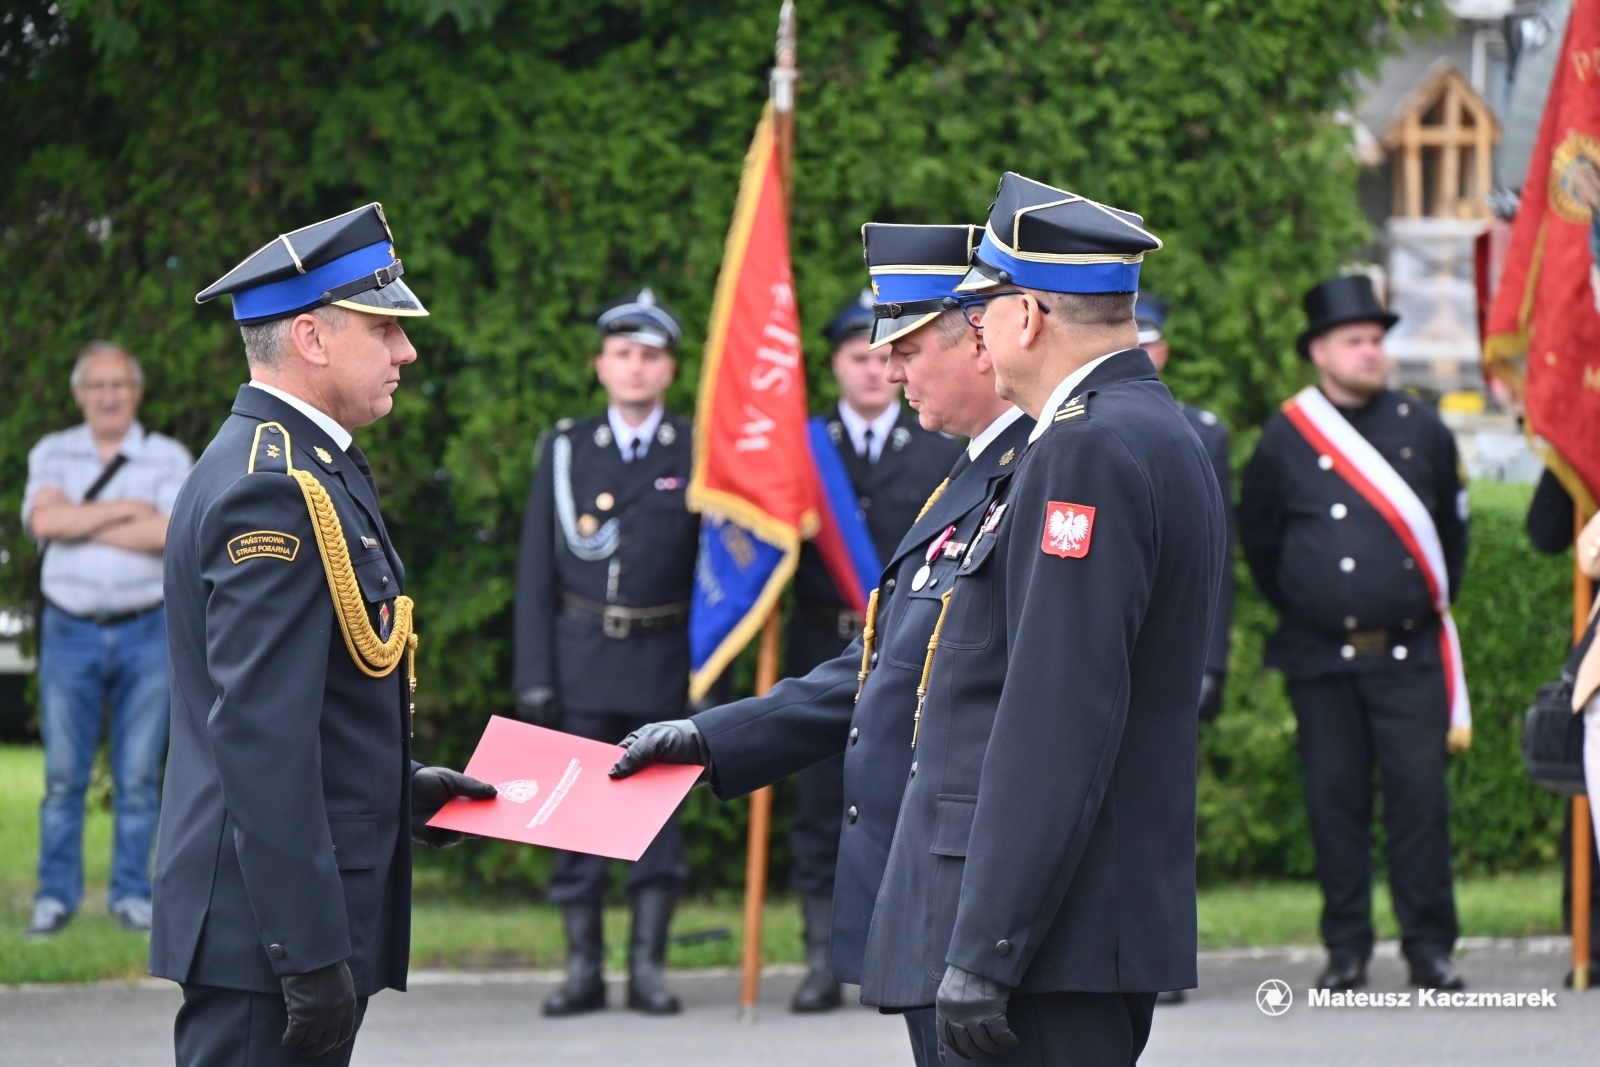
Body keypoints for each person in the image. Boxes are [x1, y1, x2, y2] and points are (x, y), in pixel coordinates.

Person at [609, 221, 1034, 1063]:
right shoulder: (975, 468)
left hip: (985, 906)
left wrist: (990, 940)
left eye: (907, 346)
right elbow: (891, 663)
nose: (889, 369)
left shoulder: (1042, 466)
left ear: (981, 340)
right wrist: (708, 736)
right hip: (939, 904)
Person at [849, 173, 1224, 1066]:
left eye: (979, 310)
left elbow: (1057, 713)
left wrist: (987, 948)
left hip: (1047, 946)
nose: (972, 331)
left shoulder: (1086, 445)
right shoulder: (1145, 427)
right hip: (1073, 931)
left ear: (1027, 316)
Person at [150, 204, 497, 1065]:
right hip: (267, 930)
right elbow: (260, 737)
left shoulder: (308, 465)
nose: (407, 351)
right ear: (310, 336)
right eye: (385, 329)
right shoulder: (270, 489)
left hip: (278, 917)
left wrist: (395, 785)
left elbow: (312, 700)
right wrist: (306, 953)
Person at [1238, 274, 1470, 995]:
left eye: (1378, 339)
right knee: (1334, 804)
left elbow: (1451, 539)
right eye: (1356, 340)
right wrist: (1318, 604)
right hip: (1322, 657)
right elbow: (1263, 545)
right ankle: (1346, 947)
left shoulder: (1422, 426)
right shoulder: (1285, 436)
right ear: (1319, 351)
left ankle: (1430, 947)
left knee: (1418, 803)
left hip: (1409, 656)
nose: (1372, 352)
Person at [513, 288, 699, 1017]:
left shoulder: (694, 447)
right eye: (622, 353)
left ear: (670, 370)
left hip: (662, 656)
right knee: (575, 818)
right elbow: (535, 571)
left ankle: (647, 968)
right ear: (600, 364)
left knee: (658, 819)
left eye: (650, 355)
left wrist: (708, 674)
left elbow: (712, 574)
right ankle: (583, 968)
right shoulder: (565, 448)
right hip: (581, 652)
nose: (635, 367)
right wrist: (534, 674)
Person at [783, 289, 962, 1012]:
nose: (871, 369)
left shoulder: (939, 447)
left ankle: (897, 945)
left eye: (884, 354)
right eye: (857, 355)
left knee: (903, 801)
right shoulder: (799, 450)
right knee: (821, 810)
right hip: (821, 640)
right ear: (834, 364)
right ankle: (822, 955)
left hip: (911, 650)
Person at [21, 342, 192, 938]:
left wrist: (81, 522)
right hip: (68, 631)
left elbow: (172, 534)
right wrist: (125, 509)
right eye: (97, 385)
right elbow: (45, 523)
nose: (109, 396)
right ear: (79, 394)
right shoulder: (52, 451)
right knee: (64, 777)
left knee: (140, 777)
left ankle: (130, 897)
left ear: (136, 392)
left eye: (119, 384)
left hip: (147, 630)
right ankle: (55, 897)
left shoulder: (168, 457)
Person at [1136, 291, 1233, 725]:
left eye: (1145, 346)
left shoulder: (1201, 436)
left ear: (1164, 352)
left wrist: (1210, 662)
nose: (1135, 355)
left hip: (1170, 641)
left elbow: (1215, 559)